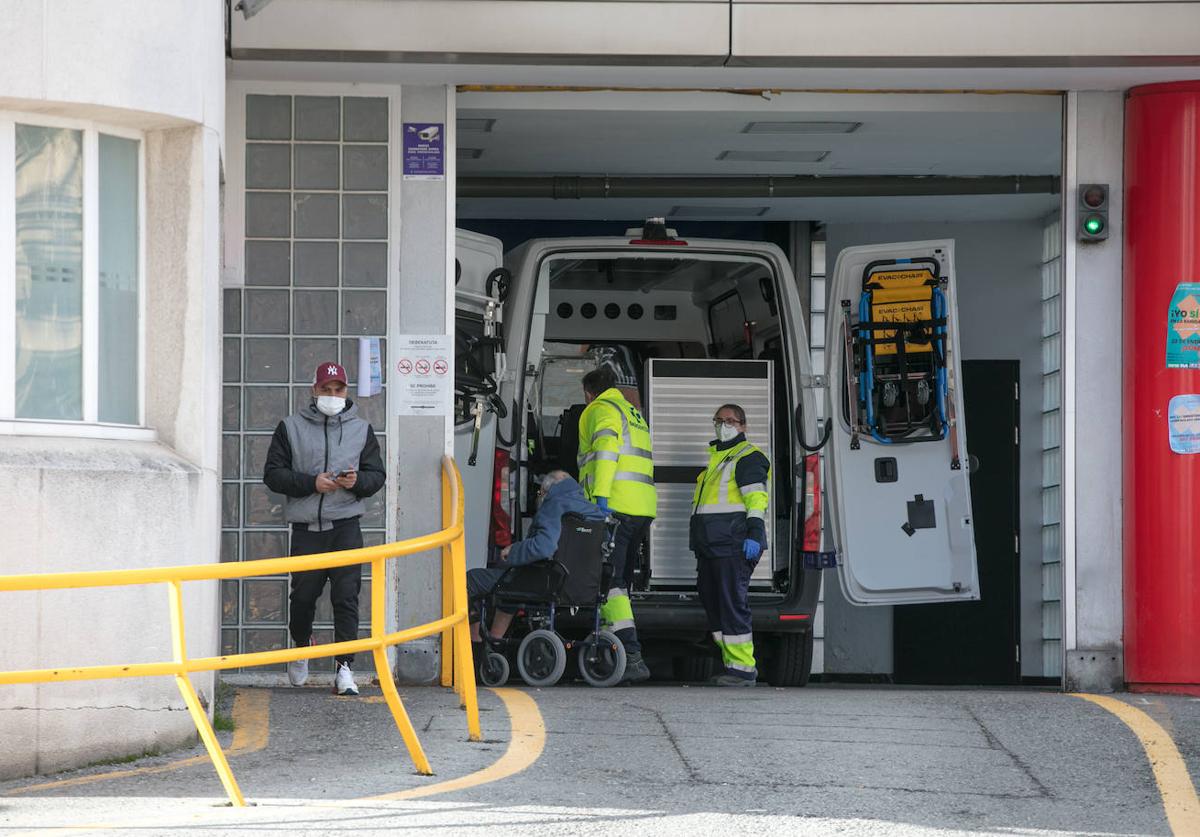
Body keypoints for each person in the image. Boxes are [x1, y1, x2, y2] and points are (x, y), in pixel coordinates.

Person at [263, 361, 386, 696]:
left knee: (346, 598)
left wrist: (357, 481)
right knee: (303, 598)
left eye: (339, 389)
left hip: (346, 526)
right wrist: (310, 483)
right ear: (314, 390)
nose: (332, 395)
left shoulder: (362, 429)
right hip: (307, 529)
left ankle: (344, 667)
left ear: (346, 391)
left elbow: (377, 476)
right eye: (326, 389)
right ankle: (302, 645)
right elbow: (273, 474)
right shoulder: (290, 427)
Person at [467, 470, 606, 653]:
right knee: (509, 585)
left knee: (472, 579)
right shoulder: (594, 512)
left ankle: (474, 645)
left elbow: (544, 547)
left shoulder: (554, 506)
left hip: (545, 583)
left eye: (540, 492)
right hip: (583, 586)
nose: (540, 497)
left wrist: (513, 551)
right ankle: (494, 641)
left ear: (548, 489)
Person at [577, 366, 654, 683]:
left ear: (588, 393)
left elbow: (606, 451)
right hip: (641, 506)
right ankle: (615, 651)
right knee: (618, 576)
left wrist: (600, 499)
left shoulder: (600, 409)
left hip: (616, 505)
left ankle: (630, 654)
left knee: (609, 581)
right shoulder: (631, 412)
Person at [689, 403, 770, 686]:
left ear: (743, 426)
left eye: (731, 421)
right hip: (712, 546)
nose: (724, 425)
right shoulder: (717, 458)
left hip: (733, 544)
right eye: (719, 420)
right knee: (716, 603)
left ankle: (743, 669)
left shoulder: (747, 457)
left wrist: (755, 532)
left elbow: (756, 498)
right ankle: (730, 662)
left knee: (731, 603)